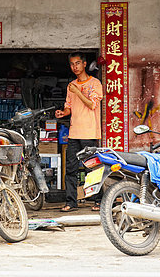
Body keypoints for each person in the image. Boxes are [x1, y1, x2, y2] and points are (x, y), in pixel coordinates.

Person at [55, 52, 103, 212]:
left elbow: (92, 105)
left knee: (92, 168)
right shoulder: (71, 85)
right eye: (72, 64)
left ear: (84, 64)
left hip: (89, 132)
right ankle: (71, 202)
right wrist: (63, 113)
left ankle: (98, 200)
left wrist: (78, 91)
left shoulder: (95, 83)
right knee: (71, 169)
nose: (74, 67)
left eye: (77, 63)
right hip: (74, 133)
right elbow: (69, 106)